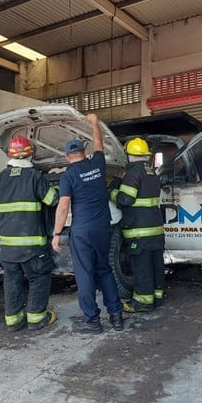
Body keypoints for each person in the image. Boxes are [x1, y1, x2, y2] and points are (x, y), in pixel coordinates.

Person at [52, 113, 124, 333]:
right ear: (84, 153)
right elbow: (100, 144)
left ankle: (92, 320)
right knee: (104, 270)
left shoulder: (68, 176)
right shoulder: (98, 164)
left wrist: (56, 233)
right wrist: (94, 124)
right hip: (103, 227)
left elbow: (63, 206)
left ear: (67, 157)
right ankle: (116, 316)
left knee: (84, 274)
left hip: (82, 231)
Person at [0, 136, 59, 331]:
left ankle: (14, 321)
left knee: (12, 282)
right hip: (32, 246)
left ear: (10, 155)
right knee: (38, 278)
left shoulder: (0, 178)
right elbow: (52, 200)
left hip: (8, 248)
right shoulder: (34, 177)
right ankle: (37, 319)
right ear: (30, 154)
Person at [110, 137, 165, 312]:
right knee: (156, 265)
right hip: (155, 229)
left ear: (129, 155)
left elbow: (125, 199)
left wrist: (112, 191)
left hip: (139, 231)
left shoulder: (133, 173)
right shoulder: (151, 172)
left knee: (142, 267)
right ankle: (157, 298)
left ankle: (142, 302)